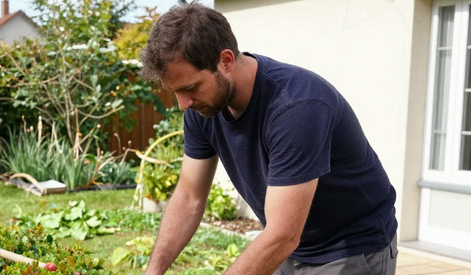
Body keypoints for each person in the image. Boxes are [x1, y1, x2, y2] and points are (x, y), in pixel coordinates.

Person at [138, 2, 398, 275]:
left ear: (225, 61)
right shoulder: (202, 107)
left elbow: (283, 235)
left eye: (190, 88)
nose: (182, 104)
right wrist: (152, 272)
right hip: (288, 242)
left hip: (351, 248)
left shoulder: (296, 106)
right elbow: (189, 197)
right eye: (175, 91)